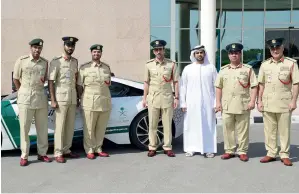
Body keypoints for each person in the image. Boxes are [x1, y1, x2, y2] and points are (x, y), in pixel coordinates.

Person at [257, 38, 299, 166]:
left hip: (284, 103)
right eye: (272, 48)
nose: (275, 50)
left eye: (277, 48)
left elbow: (296, 84)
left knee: (284, 130)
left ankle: (284, 154)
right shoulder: (265, 65)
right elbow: (261, 84)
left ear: (282, 48)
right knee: (269, 130)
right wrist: (259, 100)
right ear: (270, 50)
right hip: (268, 102)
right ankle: (271, 153)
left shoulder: (291, 63)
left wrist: (294, 101)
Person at [214, 43, 258, 162]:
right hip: (227, 105)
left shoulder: (248, 69)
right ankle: (229, 150)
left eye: (236, 53)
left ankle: (242, 151)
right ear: (228, 55)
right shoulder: (223, 70)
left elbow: (254, 86)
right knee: (228, 129)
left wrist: (253, 101)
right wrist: (218, 102)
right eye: (232, 53)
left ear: (240, 54)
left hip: (243, 104)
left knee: (243, 129)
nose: (234, 55)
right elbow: (218, 87)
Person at [13, 38, 52, 166]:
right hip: (25, 99)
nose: (37, 50)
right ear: (31, 48)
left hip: (40, 98)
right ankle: (24, 155)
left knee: (42, 128)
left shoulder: (45, 63)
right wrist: (22, 91)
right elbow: (16, 78)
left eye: (39, 48)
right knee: (25, 128)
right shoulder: (22, 61)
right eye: (35, 47)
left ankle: (42, 153)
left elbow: (45, 79)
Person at [143, 40, 179, 157]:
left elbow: (176, 82)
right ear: (153, 51)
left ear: (164, 50)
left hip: (167, 98)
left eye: (160, 49)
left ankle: (167, 147)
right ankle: (152, 146)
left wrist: (176, 97)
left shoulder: (171, 64)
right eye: (156, 49)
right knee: (152, 124)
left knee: (167, 124)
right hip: (153, 98)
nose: (158, 51)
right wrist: (144, 98)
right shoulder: (148, 65)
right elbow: (146, 82)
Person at [179, 45, 217, 158]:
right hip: (191, 103)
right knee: (191, 125)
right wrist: (183, 103)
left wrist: (216, 103)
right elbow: (182, 87)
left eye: (201, 52)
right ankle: (191, 148)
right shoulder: (188, 69)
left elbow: (216, 87)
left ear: (204, 54)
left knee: (208, 125)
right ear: (194, 55)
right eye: (197, 53)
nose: (199, 54)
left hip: (208, 103)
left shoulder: (211, 68)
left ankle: (209, 149)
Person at [77, 44, 112, 159]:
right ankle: (90, 149)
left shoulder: (106, 68)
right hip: (89, 102)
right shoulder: (84, 68)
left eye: (98, 52)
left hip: (104, 102)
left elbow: (108, 85)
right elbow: (79, 86)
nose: (96, 54)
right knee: (89, 128)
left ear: (101, 53)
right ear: (91, 53)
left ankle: (98, 148)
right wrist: (81, 97)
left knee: (101, 128)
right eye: (94, 52)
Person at [48, 36, 80, 163]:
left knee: (70, 126)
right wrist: (53, 99)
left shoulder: (75, 62)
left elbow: (76, 80)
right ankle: (58, 152)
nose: (70, 48)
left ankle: (66, 150)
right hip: (60, 98)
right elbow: (51, 81)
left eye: (72, 46)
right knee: (60, 126)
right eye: (68, 45)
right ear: (64, 46)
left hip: (72, 98)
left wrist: (77, 97)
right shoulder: (56, 62)